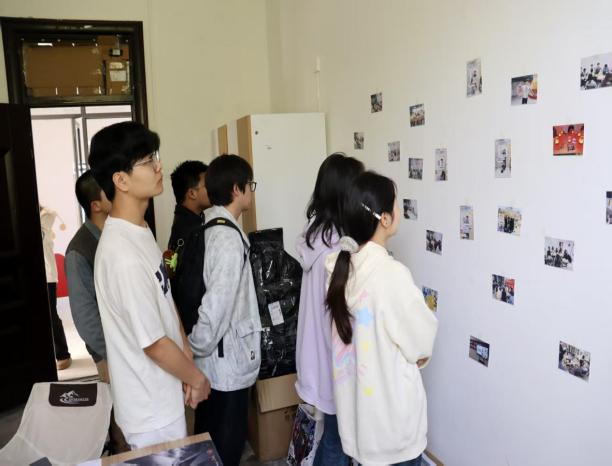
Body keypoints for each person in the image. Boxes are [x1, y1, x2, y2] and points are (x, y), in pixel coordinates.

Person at [89, 121, 210, 450]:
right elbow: (153, 344)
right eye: (147, 161)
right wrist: (196, 378)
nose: (159, 167)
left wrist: (186, 353)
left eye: (155, 157)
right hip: (150, 409)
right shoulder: (122, 255)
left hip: (163, 393)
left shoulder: (140, 230)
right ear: (121, 180)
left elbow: (164, 295)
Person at [325, 171, 438, 465]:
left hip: (360, 425)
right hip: (392, 431)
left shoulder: (340, 269)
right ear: (384, 218)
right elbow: (421, 342)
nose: (399, 209)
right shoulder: (391, 275)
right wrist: (419, 356)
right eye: (395, 203)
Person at [189, 154, 262, 466]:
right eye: (250, 185)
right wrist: (196, 346)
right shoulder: (228, 239)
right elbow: (216, 306)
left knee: (210, 444)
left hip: (215, 361)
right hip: (224, 363)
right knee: (225, 447)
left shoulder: (210, 226)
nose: (251, 191)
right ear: (236, 189)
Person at [294, 153, 364, 466]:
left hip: (315, 358)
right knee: (337, 442)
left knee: (331, 438)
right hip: (335, 361)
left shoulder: (315, 233)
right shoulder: (339, 247)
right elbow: (346, 313)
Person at [64, 170, 129, 453]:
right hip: (109, 349)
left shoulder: (119, 232)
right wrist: (108, 353)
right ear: (96, 205)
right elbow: (85, 316)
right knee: (122, 418)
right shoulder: (79, 250)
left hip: (131, 342)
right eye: (108, 189)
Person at [40, 206, 71, 370]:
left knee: (51, 315)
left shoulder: (46, 217)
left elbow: (50, 214)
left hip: (47, 275)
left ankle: (63, 354)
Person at [167, 160, 210, 253]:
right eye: (208, 185)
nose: (213, 188)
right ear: (192, 193)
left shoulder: (188, 222)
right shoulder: (189, 233)